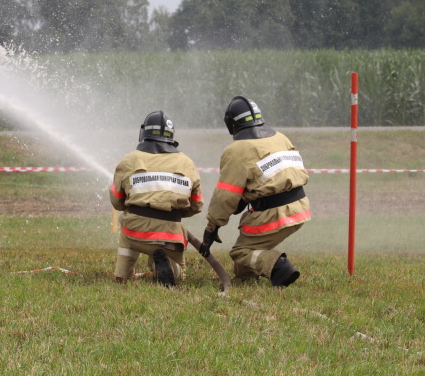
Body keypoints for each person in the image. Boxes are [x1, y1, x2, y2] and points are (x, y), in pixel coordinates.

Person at [200, 96, 311, 288]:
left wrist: (212, 227)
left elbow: (225, 196)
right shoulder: (280, 137)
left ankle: (278, 266)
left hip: (274, 213)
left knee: (241, 252)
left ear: (232, 124)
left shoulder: (237, 149)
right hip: (300, 207)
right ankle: (246, 280)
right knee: (243, 264)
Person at [110, 110, 203, 286]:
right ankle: (170, 268)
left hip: (135, 232)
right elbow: (196, 204)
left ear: (144, 133)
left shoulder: (130, 159)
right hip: (170, 235)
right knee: (179, 275)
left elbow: (116, 200)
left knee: (126, 232)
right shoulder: (187, 163)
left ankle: (122, 274)